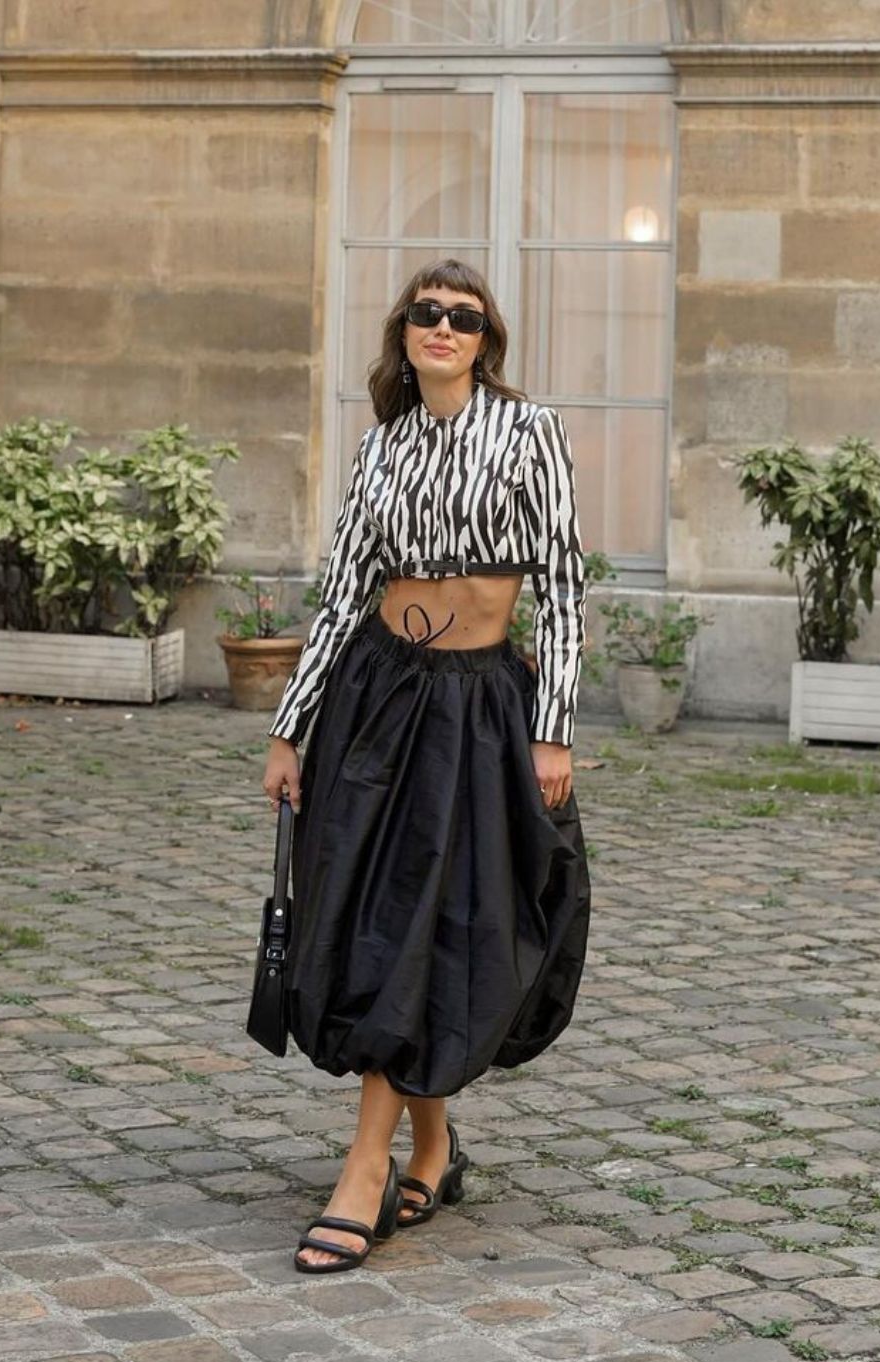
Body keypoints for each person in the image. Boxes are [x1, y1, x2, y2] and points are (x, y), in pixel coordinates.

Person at [262, 258, 590, 1273]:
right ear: (403, 333)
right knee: (381, 916)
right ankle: (420, 1148)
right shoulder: (378, 449)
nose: (441, 327)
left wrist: (554, 726)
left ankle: (373, 1164)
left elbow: (567, 587)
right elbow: (342, 589)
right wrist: (289, 724)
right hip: (375, 700)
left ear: (484, 338)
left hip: (482, 709)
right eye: (425, 313)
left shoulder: (529, 433)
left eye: (462, 316)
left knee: (441, 918)